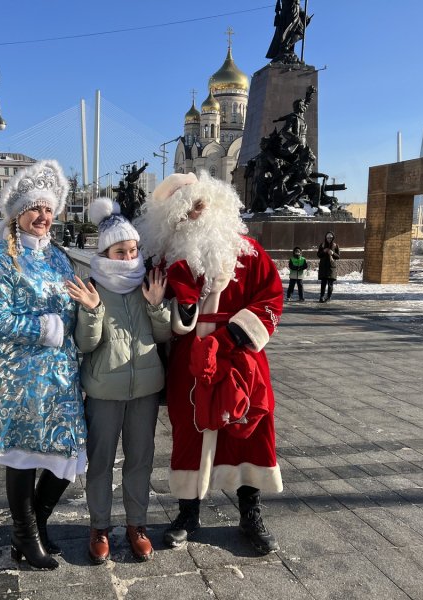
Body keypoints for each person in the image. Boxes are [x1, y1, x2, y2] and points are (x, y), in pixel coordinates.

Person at [135, 171, 284, 556]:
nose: (196, 216)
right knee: (190, 433)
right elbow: (154, 312)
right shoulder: (165, 261)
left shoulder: (248, 250)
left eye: (200, 205)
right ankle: (189, 513)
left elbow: (271, 298)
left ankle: (250, 512)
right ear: (174, 220)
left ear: (215, 203)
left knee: (248, 429)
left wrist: (236, 335)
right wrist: (178, 309)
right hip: (190, 361)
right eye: (185, 212)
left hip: (240, 357)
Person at [0, 159, 86, 571]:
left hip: (60, 376)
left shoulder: (60, 258)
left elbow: (73, 307)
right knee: (22, 456)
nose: (43, 217)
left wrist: (89, 313)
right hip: (18, 376)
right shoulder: (0, 259)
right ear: (18, 214)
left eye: (48, 209)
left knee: (63, 456)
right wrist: (44, 328)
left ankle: (35, 527)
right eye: (35, 209)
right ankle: (26, 535)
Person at [66, 197, 171, 564]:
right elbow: (84, 344)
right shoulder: (95, 288)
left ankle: (136, 525)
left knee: (140, 460)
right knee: (100, 461)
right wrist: (92, 312)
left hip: (144, 390)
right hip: (103, 391)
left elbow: (162, 337)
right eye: (121, 251)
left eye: (133, 250)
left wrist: (158, 306)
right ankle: (99, 527)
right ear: (106, 252)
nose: (129, 257)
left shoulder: (148, 284)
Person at [317, 230, 340, 303]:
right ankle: (322, 296)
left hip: (331, 267)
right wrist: (323, 251)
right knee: (323, 283)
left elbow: (338, 256)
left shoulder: (335, 245)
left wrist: (333, 253)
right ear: (325, 238)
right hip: (323, 266)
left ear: (333, 238)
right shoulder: (322, 245)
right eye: (328, 238)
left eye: (331, 238)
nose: (329, 239)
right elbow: (318, 255)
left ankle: (329, 297)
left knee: (330, 284)